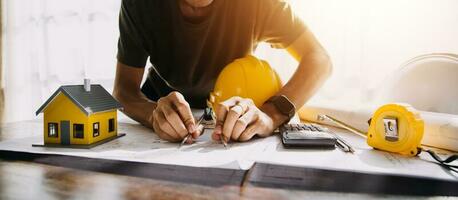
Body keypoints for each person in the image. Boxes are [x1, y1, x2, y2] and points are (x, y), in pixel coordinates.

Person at [112, 0, 332, 144]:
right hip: (163, 106)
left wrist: (272, 114)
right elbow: (124, 91)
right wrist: (152, 114)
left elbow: (319, 60)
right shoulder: (140, 4)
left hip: (234, 112)